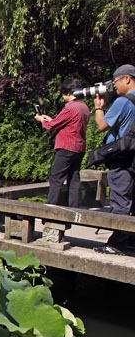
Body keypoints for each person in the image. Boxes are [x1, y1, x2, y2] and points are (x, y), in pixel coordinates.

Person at [92, 64, 135, 255]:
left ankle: (117, 244)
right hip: (133, 158)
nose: (114, 86)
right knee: (132, 202)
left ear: (127, 79)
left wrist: (98, 108)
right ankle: (131, 242)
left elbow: (102, 125)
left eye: (116, 81)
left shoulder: (123, 101)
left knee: (121, 202)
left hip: (122, 159)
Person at [35, 78, 90, 208]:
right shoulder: (84, 107)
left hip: (67, 147)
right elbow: (67, 123)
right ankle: (74, 208)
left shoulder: (70, 107)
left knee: (56, 178)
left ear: (68, 93)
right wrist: (51, 120)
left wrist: (42, 120)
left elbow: (51, 126)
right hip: (79, 147)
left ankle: (50, 208)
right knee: (74, 178)